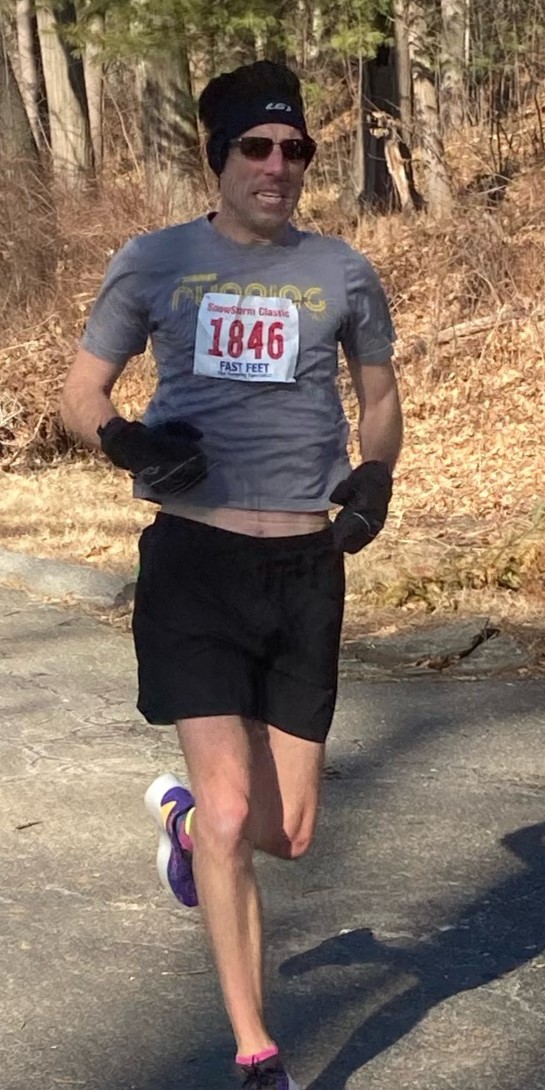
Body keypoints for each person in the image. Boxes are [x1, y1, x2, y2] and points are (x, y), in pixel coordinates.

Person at [61, 59, 403, 1090]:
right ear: (220, 159)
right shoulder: (155, 261)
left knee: (285, 833)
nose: (277, 165)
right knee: (227, 815)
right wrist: (125, 442)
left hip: (302, 566)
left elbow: (379, 398)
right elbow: (81, 394)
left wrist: (375, 475)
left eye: (294, 149)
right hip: (196, 563)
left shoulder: (341, 272)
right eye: (257, 147)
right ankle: (257, 1052)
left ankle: (177, 824)